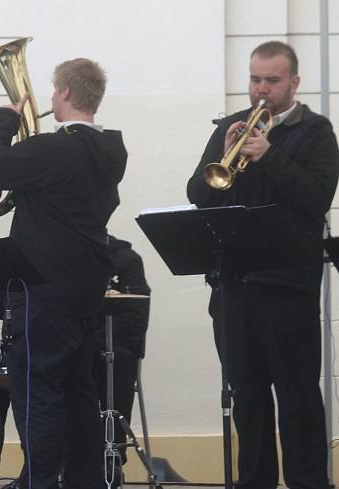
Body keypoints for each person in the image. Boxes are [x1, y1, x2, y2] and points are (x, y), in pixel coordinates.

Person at [187, 41, 339, 489]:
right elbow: (199, 193)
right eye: (255, 79)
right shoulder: (228, 129)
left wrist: (269, 155)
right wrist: (229, 148)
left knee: (297, 400)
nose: (261, 90)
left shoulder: (316, 133)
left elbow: (315, 198)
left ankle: (309, 482)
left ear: (294, 82)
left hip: (288, 288)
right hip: (235, 287)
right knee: (247, 400)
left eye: (272, 81)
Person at [0, 58, 128, 489]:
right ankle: (85, 482)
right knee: (79, 395)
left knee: (37, 394)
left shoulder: (55, 149)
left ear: (62, 93)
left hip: (42, 289)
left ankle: (38, 482)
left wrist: (3, 118)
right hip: (84, 290)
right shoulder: (109, 151)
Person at [63, 234, 151, 487]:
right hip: (73, 342)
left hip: (110, 345)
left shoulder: (126, 259)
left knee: (119, 362)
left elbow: (135, 320)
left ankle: (112, 456)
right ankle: (52, 454)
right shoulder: (64, 256)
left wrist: (95, 340)